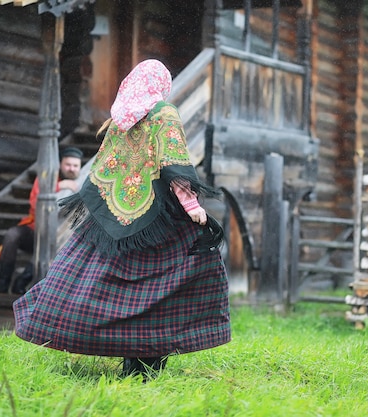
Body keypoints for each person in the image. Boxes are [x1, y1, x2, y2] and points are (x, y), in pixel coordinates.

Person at [13, 59, 231, 379]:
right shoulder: (163, 113)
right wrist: (193, 207)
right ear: (161, 85)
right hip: (161, 222)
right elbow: (173, 164)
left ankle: (127, 358)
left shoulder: (120, 119)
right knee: (169, 285)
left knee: (103, 288)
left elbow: (106, 168)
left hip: (114, 217)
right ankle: (146, 363)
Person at [0, 147, 84, 295]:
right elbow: (35, 202)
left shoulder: (83, 181)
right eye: (68, 165)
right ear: (60, 164)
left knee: (49, 242)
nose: (71, 169)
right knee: (12, 235)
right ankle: (2, 281)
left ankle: (22, 281)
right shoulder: (47, 178)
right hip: (35, 228)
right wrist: (59, 186)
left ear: (80, 167)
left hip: (60, 237)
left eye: (75, 166)